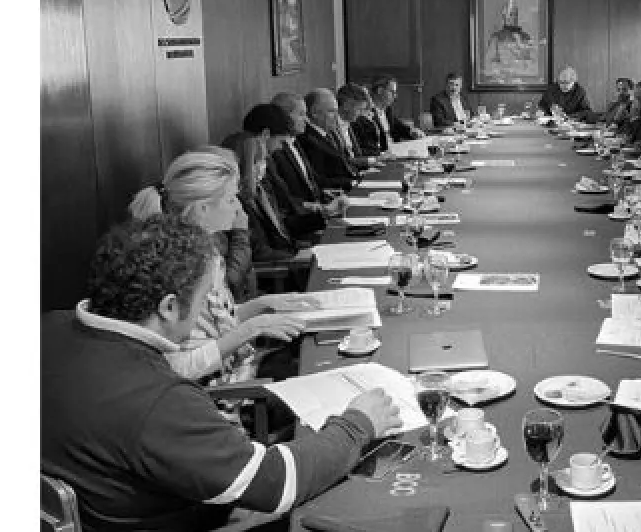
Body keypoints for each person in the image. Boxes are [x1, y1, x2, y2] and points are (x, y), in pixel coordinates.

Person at [42, 215, 401, 532]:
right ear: (169, 307)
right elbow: (278, 483)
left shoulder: (48, 328)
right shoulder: (156, 399)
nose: (205, 309)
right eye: (202, 300)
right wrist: (358, 424)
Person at [129, 148, 256, 304]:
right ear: (203, 208)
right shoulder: (181, 265)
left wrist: (262, 305)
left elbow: (223, 313)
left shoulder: (206, 248)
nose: (237, 206)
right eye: (230, 199)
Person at [243, 102, 336, 238]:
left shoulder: (266, 163)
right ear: (266, 134)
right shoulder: (252, 172)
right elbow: (277, 226)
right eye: (280, 142)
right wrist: (323, 214)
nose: (281, 148)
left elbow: (284, 211)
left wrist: (324, 213)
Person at [221, 131, 314, 265]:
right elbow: (259, 252)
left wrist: (322, 216)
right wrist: (295, 257)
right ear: (245, 165)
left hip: (290, 253)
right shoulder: (236, 202)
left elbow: (282, 228)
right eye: (259, 161)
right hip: (278, 268)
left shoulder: (261, 190)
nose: (264, 166)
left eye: (265, 159)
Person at [298, 88, 362, 191]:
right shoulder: (307, 140)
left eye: (337, 111)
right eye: (331, 111)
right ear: (314, 113)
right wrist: (352, 182)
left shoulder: (330, 133)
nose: (337, 116)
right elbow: (319, 179)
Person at [334, 83, 381, 166]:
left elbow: (357, 154)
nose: (361, 114)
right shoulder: (331, 127)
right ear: (346, 106)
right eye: (359, 109)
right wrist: (370, 160)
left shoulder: (349, 122)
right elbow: (340, 160)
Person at [370, 75, 422, 140]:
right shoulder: (366, 112)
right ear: (380, 91)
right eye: (392, 92)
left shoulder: (387, 110)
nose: (395, 96)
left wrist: (411, 131)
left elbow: (397, 126)